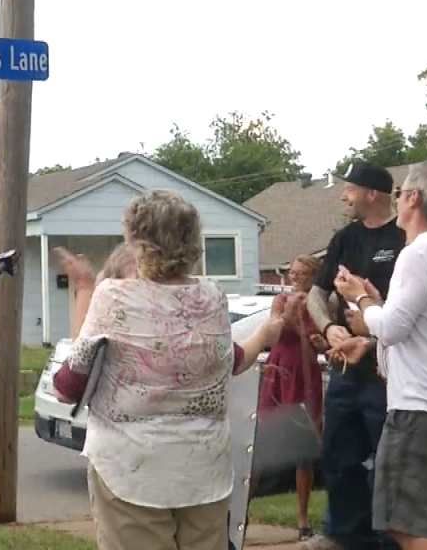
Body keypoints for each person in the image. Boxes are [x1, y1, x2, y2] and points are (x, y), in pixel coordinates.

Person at [51, 190, 286, 550]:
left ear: (137, 241)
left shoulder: (114, 296)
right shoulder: (212, 296)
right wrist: (266, 333)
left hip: (131, 469)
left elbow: (69, 383)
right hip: (204, 470)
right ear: (193, 241)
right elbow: (231, 360)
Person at [334, 161, 427, 550]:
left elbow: (392, 328)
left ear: (414, 198)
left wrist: (361, 299)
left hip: (420, 412)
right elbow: (419, 327)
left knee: (408, 527)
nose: (397, 199)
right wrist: (378, 303)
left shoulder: (417, 253)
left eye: (401, 193)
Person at [303, 162, 405, 550]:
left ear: (372, 193)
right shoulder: (345, 238)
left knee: (389, 459)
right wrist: (329, 329)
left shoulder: (403, 239)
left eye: (349, 189)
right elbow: (316, 293)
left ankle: (391, 537)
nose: (343, 196)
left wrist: (369, 329)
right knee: (338, 454)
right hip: (347, 367)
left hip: (387, 369)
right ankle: (345, 535)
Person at [262, 255, 327, 541]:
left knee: (305, 450)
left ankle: (302, 518)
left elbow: (325, 340)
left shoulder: (321, 304)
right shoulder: (281, 302)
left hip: (306, 372)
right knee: (263, 440)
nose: (295, 277)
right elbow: (273, 332)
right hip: (280, 370)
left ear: (313, 275)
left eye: (301, 273)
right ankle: (239, 510)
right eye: (292, 272)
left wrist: (319, 341)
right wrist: (292, 310)